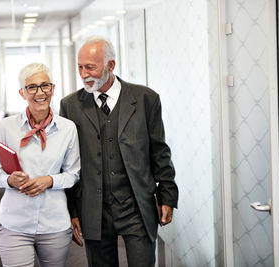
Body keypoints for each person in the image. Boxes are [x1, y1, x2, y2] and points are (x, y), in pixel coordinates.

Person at [60, 36, 179, 267]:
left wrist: (168, 195)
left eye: (90, 67)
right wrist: (72, 210)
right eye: (80, 67)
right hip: (93, 209)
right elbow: (67, 163)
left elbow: (159, 151)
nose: (83, 73)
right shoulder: (70, 105)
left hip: (137, 206)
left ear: (110, 65)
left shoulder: (146, 99)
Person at [0, 62, 80, 267]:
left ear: (53, 89)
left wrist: (49, 181)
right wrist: (9, 180)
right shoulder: (6, 126)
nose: (40, 92)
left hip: (54, 224)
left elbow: (73, 174)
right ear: (22, 93)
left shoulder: (68, 128)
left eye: (45, 85)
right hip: (15, 223)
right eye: (32, 87)